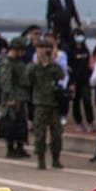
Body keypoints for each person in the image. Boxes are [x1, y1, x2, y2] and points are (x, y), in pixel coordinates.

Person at [28, 40, 68, 169]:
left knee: (56, 133)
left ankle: (56, 158)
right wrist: (39, 62)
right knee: (40, 134)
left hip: (54, 104)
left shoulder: (54, 67)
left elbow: (61, 76)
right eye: (41, 48)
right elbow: (28, 79)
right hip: (40, 103)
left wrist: (51, 61)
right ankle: (41, 159)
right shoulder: (34, 67)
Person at [0, 36, 32, 159]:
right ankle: (11, 148)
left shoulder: (19, 62)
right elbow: (6, 82)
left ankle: (20, 147)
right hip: (13, 96)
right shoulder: (7, 63)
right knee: (11, 123)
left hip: (22, 96)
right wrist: (10, 98)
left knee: (21, 123)